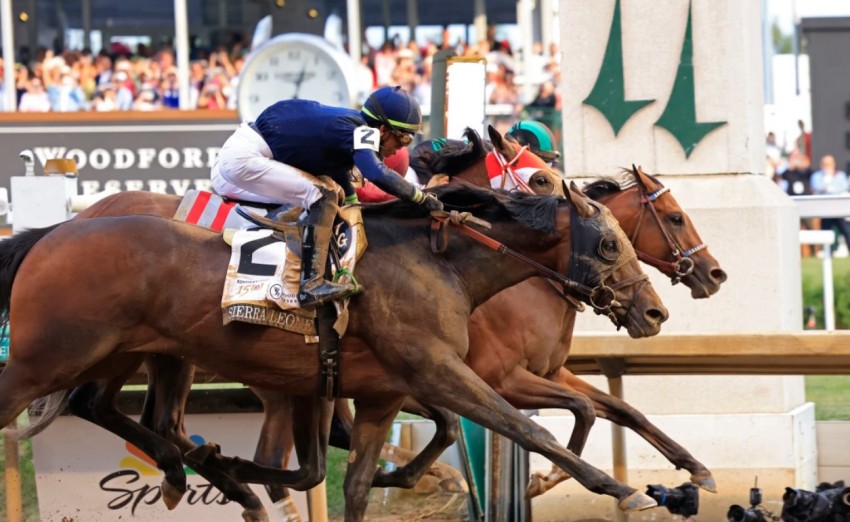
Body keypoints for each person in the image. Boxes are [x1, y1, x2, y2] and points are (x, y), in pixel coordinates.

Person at [211, 86, 443, 308]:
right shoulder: (362, 131)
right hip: (244, 158)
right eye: (404, 139)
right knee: (324, 196)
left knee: (329, 193)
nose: (400, 149)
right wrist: (421, 197)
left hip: (239, 155)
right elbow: (376, 173)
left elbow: (341, 177)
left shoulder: (349, 126)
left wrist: (353, 205)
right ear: (383, 130)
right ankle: (310, 285)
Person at [811, 154, 850, 251]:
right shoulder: (817, 176)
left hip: (838, 208)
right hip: (825, 209)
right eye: (824, 164)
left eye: (829, 164)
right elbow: (817, 187)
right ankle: (827, 251)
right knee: (825, 231)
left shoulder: (840, 175)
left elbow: (844, 187)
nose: (827, 166)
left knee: (846, 231)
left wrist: (830, 189)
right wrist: (826, 183)